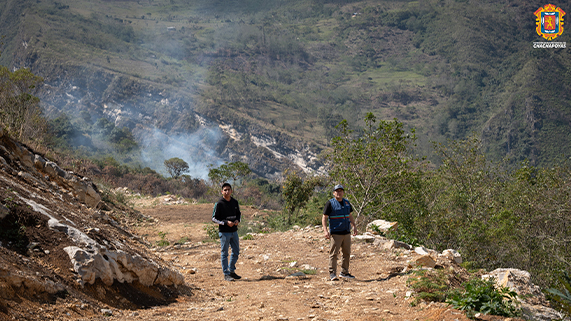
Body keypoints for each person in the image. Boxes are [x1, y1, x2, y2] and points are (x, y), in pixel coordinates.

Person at [322, 184, 357, 281]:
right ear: (334, 193)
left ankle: (344, 272)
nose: (339, 193)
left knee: (346, 253)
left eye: (341, 191)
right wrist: (325, 231)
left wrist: (354, 226)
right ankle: (332, 273)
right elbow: (324, 217)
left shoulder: (346, 202)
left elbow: (350, 215)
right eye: (337, 191)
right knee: (334, 254)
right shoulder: (330, 203)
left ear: (343, 192)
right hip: (336, 233)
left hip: (346, 233)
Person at [212, 182, 242, 281]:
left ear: (231, 191)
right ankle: (226, 273)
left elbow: (239, 214)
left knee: (236, 252)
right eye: (225, 190)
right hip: (224, 232)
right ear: (222, 191)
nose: (227, 191)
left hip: (234, 231)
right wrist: (225, 222)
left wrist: (238, 221)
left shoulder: (235, 202)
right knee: (224, 253)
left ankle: (231, 271)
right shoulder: (219, 203)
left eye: (228, 189)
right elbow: (214, 218)